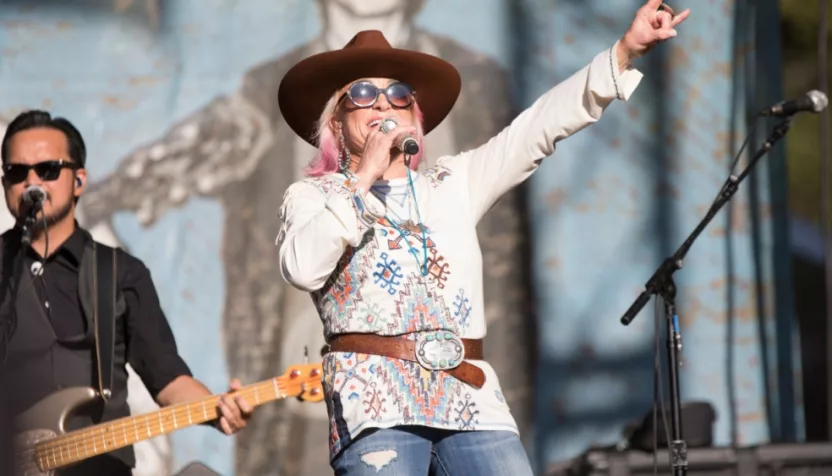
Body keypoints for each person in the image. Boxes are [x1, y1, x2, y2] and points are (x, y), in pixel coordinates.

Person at [275, 0, 690, 474]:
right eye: (364, 94)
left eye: (400, 94)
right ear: (335, 123)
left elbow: (536, 128)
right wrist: (363, 177)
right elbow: (303, 268)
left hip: (472, 402)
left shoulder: (453, 183)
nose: (385, 104)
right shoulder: (315, 196)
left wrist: (624, 52)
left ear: (416, 116)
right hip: (375, 407)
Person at [0, 110, 253, 476]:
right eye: (17, 172)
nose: (32, 183)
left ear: (79, 181)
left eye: (48, 170)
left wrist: (219, 410)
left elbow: (167, 378)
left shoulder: (119, 274)